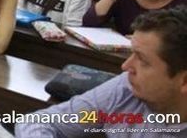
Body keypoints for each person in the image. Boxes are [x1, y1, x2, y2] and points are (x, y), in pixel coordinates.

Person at [15, 7, 187, 137]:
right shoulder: (125, 91)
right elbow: (39, 122)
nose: (126, 67)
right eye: (131, 53)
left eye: (142, 60)